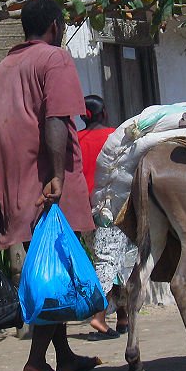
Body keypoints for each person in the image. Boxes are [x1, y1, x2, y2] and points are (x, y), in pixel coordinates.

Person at [0, 0, 100, 371]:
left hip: (14, 186)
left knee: (52, 273)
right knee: (58, 272)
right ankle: (36, 360)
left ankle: (64, 357)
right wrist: (57, 178)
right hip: (48, 183)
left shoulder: (1, 69)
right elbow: (56, 119)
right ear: (54, 25)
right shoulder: (54, 58)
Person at [77, 95, 129, 341]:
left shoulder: (76, 140)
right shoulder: (116, 137)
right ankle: (98, 316)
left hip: (85, 209)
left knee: (111, 257)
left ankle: (123, 315)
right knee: (109, 260)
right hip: (111, 207)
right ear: (104, 113)